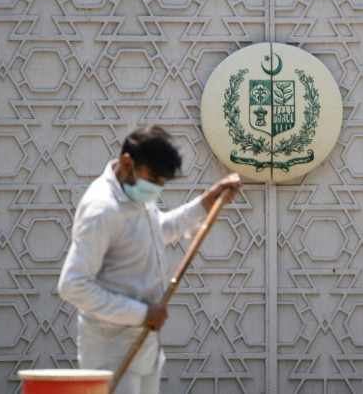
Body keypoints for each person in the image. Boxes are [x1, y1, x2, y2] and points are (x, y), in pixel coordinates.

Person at [58, 125, 241, 393]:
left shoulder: (136, 199)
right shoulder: (102, 209)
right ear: (127, 162)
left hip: (145, 346)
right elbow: (73, 285)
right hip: (111, 351)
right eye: (153, 178)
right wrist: (141, 313)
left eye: (162, 183)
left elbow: (160, 229)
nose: (156, 188)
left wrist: (207, 202)